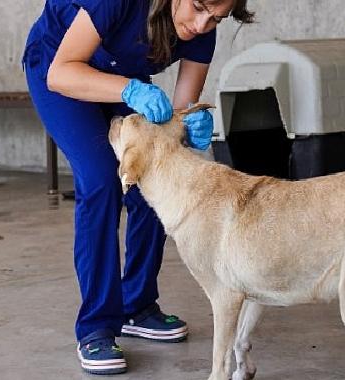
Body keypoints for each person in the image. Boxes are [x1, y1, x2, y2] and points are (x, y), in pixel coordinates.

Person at [21, 0, 254, 375]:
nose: (200, 24)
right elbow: (61, 73)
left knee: (156, 175)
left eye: (215, 18)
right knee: (101, 182)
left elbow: (181, 113)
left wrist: (189, 125)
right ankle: (96, 326)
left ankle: (138, 304)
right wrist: (131, 91)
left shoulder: (202, 30)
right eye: (197, 7)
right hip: (59, 67)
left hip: (119, 79)